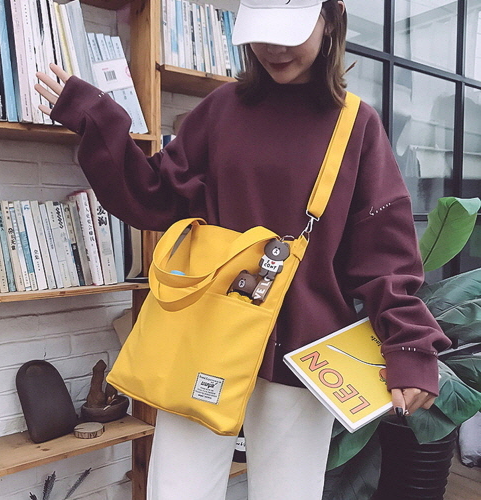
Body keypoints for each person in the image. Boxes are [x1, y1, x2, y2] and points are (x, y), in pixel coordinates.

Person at [35, 0, 451, 498]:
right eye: (261, 31)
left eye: (289, 31)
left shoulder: (356, 125)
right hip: (206, 338)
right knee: (177, 491)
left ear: (331, 19)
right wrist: (96, 119)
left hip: (300, 351)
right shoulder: (221, 110)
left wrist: (409, 345)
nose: (273, 47)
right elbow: (154, 197)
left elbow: (384, 256)